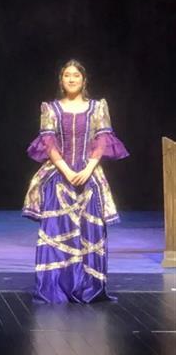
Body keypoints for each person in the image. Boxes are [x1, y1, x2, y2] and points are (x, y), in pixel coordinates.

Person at [23, 59, 129, 303]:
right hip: (59, 178)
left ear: (84, 80)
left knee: (89, 232)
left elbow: (103, 139)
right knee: (57, 230)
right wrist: (66, 171)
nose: (71, 79)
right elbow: (48, 142)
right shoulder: (50, 109)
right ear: (61, 80)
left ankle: (88, 288)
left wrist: (89, 168)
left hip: (89, 177)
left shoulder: (97, 107)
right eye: (67, 75)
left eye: (76, 75)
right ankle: (56, 287)